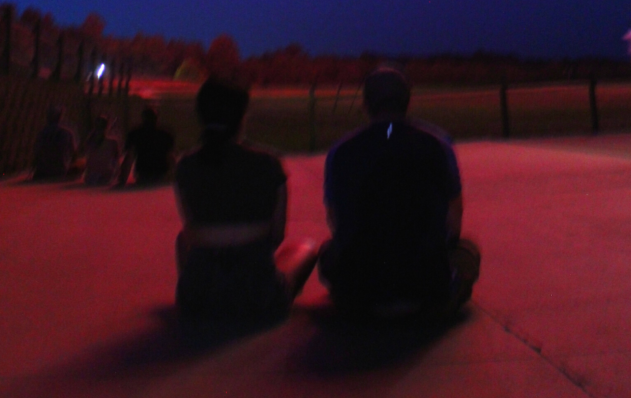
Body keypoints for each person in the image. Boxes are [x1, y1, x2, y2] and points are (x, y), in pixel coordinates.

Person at [320, 66, 480, 318]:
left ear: (366, 104)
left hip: (361, 287)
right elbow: (453, 219)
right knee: (468, 251)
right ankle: (432, 299)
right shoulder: (438, 144)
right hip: (425, 283)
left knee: (328, 253)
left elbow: (335, 220)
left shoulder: (341, 151)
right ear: (408, 101)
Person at [174, 77, 318, 320]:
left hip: (198, 295)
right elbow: (276, 236)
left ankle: (200, 297)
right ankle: (278, 296)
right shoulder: (268, 163)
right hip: (256, 296)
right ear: (241, 117)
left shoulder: (185, 166)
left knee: (182, 239)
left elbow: (191, 225)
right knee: (307, 248)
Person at [118, 105, 175, 185]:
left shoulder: (135, 134)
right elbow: (170, 157)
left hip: (144, 174)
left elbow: (129, 158)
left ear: (143, 118)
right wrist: (174, 178)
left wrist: (122, 180)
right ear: (157, 118)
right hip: (160, 174)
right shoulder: (165, 134)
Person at [33, 105, 78, 179]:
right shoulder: (67, 133)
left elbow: (37, 151)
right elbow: (74, 153)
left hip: (43, 170)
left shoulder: (41, 133)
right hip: (60, 169)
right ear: (60, 118)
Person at [83, 114, 120, 186]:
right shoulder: (113, 142)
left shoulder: (88, 141)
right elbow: (116, 160)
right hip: (107, 176)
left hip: (90, 177)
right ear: (107, 126)